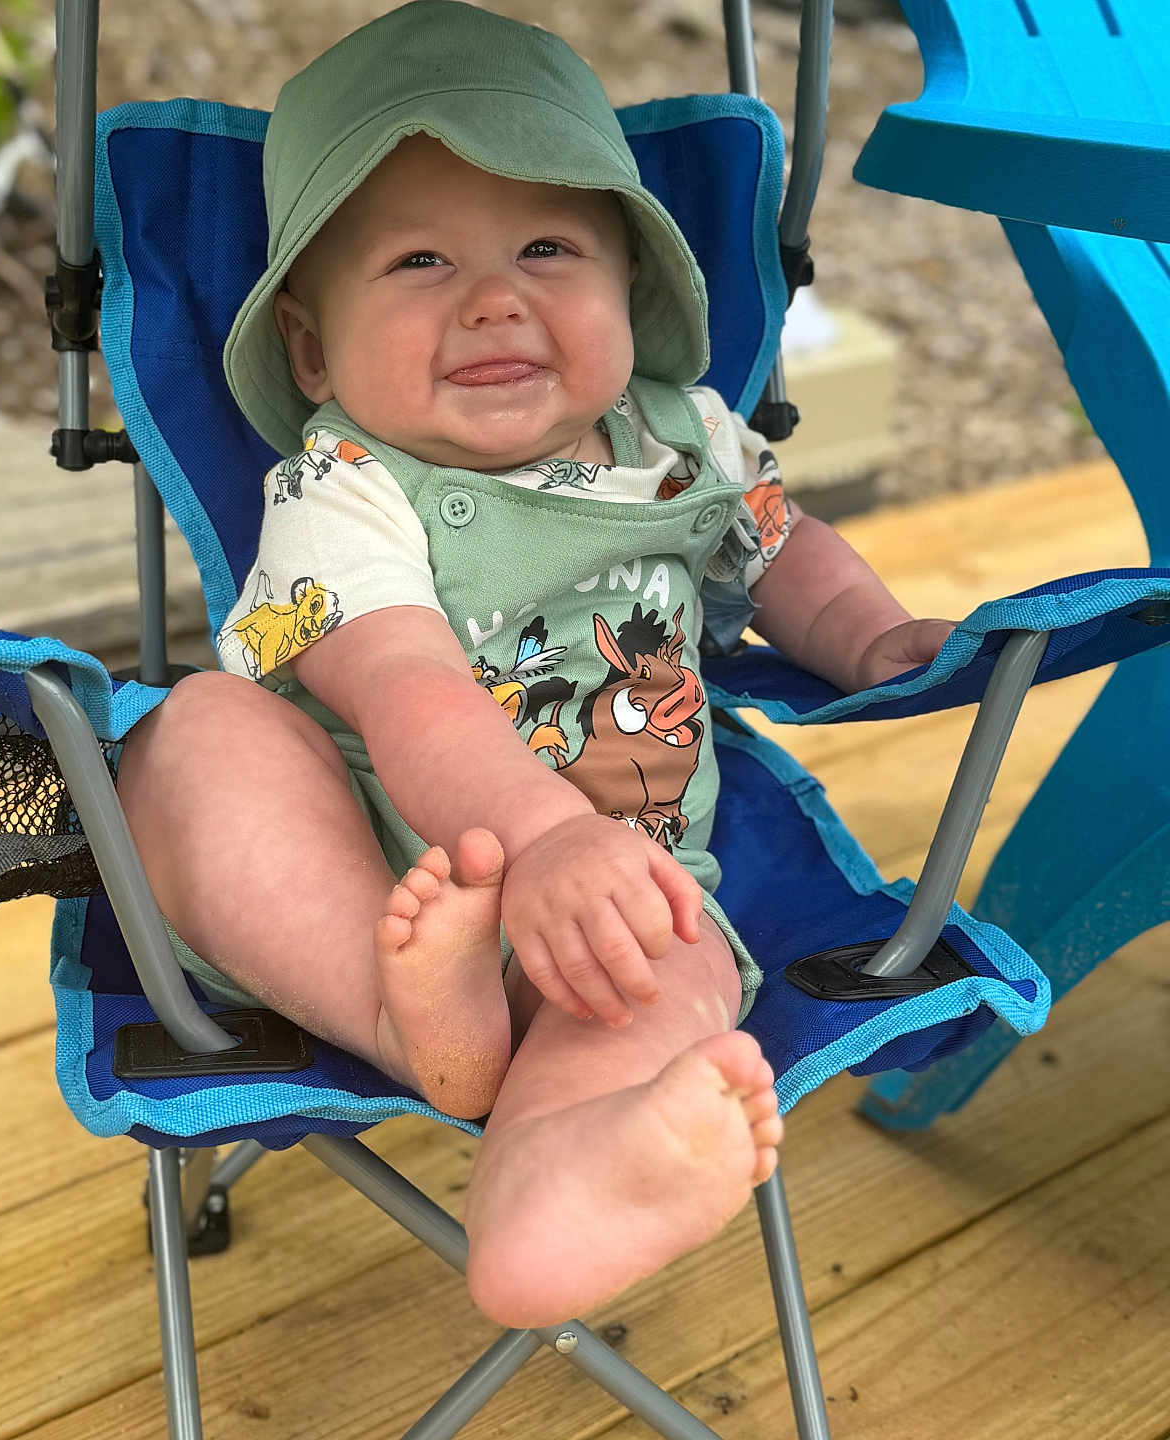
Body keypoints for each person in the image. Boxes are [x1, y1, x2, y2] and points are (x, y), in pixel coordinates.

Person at [117, 0, 953, 1329]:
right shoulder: (342, 482)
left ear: (631, 287)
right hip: (348, 873)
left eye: (549, 246)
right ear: (315, 350)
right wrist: (537, 837)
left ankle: (557, 1200)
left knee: (665, 976)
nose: (496, 296)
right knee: (193, 733)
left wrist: (874, 637)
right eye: (420, 263)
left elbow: (792, 553)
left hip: (623, 893)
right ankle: (415, 1029)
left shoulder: (688, 440)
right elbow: (404, 688)